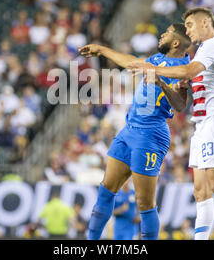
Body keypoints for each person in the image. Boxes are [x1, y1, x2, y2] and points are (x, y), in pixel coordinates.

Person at [128, 7, 214, 240]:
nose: (188, 31)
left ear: (205, 23)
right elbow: (186, 91)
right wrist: (176, 84)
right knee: (200, 191)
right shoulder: (204, 50)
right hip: (202, 124)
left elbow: (189, 69)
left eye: (190, 26)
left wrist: (155, 68)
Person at [79, 23, 191, 240]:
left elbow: (180, 105)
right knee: (106, 189)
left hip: (151, 135)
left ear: (176, 42)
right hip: (129, 130)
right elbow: (131, 62)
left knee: (145, 203)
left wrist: (161, 81)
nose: (161, 35)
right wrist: (101, 49)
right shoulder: (157, 60)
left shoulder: (183, 69)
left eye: (166, 32)